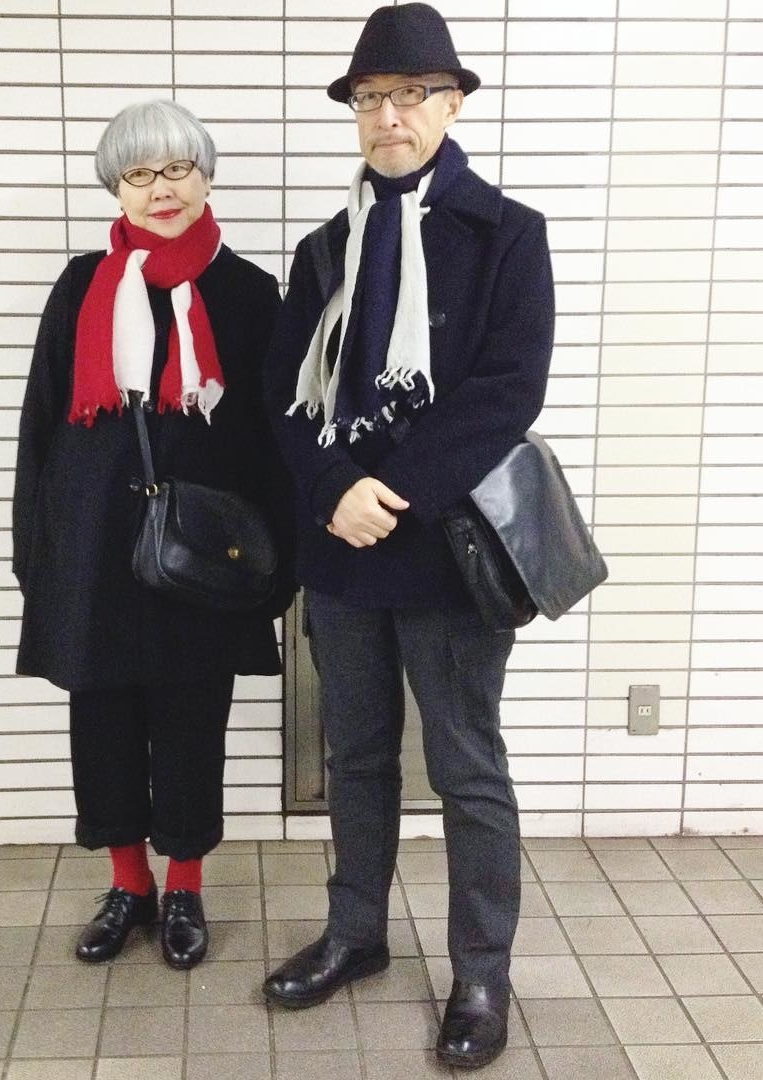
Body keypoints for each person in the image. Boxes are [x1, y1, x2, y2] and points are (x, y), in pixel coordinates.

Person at [260, 3, 554, 1070]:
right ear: (354, 113)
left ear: (454, 103)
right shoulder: (324, 246)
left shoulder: (508, 233)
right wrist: (337, 488)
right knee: (357, 755)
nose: (389, 115)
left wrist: (392, 488)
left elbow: (506, 391)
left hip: (446, 546)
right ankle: (355, 933)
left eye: (412, 94)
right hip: (341, 550)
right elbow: (283, 397)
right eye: (371, 98)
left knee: (467, 760)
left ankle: (482, 967)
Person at [13, 99, 293, 971]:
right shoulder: (79, 286)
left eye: (177, 168)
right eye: (139, 173)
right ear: (117, 189)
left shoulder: (248, 294)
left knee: (189, 723)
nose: (160, 189)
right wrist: (38, 556)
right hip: (93, 548)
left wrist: (270, 564)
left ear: (206, 175)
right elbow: (42, 428)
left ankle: (185, 889)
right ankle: (128, 885)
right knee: (100, 720)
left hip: (200, 559)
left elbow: (270, 437)